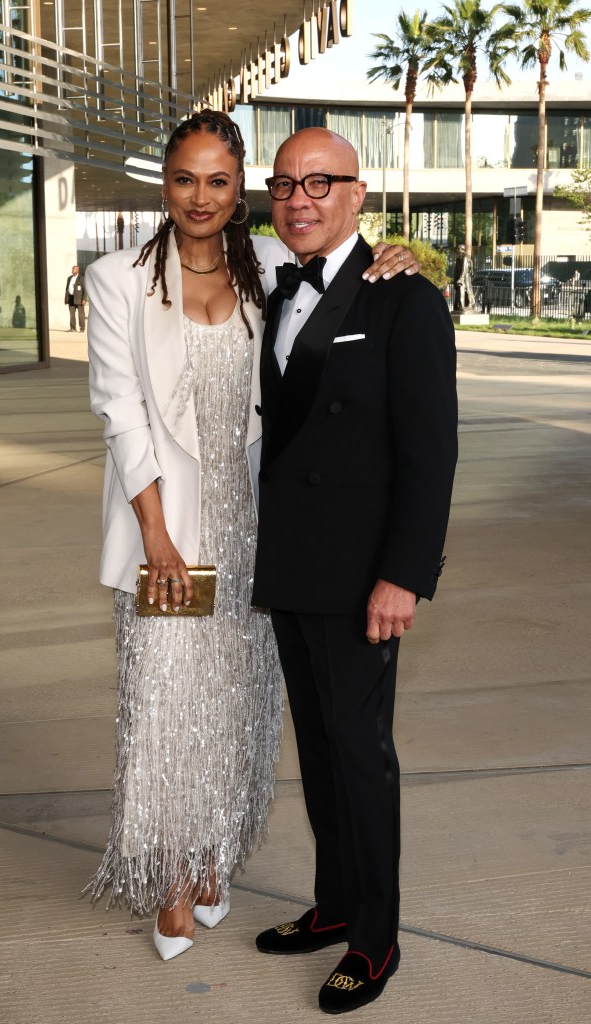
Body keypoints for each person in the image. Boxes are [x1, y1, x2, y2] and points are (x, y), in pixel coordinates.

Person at [84, 110, 419, 963]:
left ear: (241, 193)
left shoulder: (272, 264)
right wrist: (156, 537)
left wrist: (395, 255)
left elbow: (339, 273)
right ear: (164, 182)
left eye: (219, 180)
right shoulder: (118, 278)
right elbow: (121, 416)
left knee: (237, 711)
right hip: (167, 530)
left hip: (267, 537)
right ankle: (166, 878)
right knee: (162, 711)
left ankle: (210, 860)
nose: (200, 196)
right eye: (184, 178)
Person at [252, 128, 458, 1014]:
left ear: (356, 193)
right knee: (323, 749)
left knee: (361, 753)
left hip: (360, 574)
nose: (300, 200)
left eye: (320, 183)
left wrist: (403, 575)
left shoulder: (405, 296)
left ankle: (374, 939)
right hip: (290, 561)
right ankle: (334, 903)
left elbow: (430, 452)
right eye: (285, 184)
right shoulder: (271, 279)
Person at [65, 264, 85, 331]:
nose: (73, 270)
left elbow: (85, 289)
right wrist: (66, 298)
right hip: (71, 298)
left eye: (74, 269)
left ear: (78, 270)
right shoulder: (69, 278)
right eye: (72, 269)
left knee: (81, 314)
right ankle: (73, 328)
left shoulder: (82, 278)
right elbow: (67, 288)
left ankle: (82, 328)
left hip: (79, 298)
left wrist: (84, 299)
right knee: (72, 314)